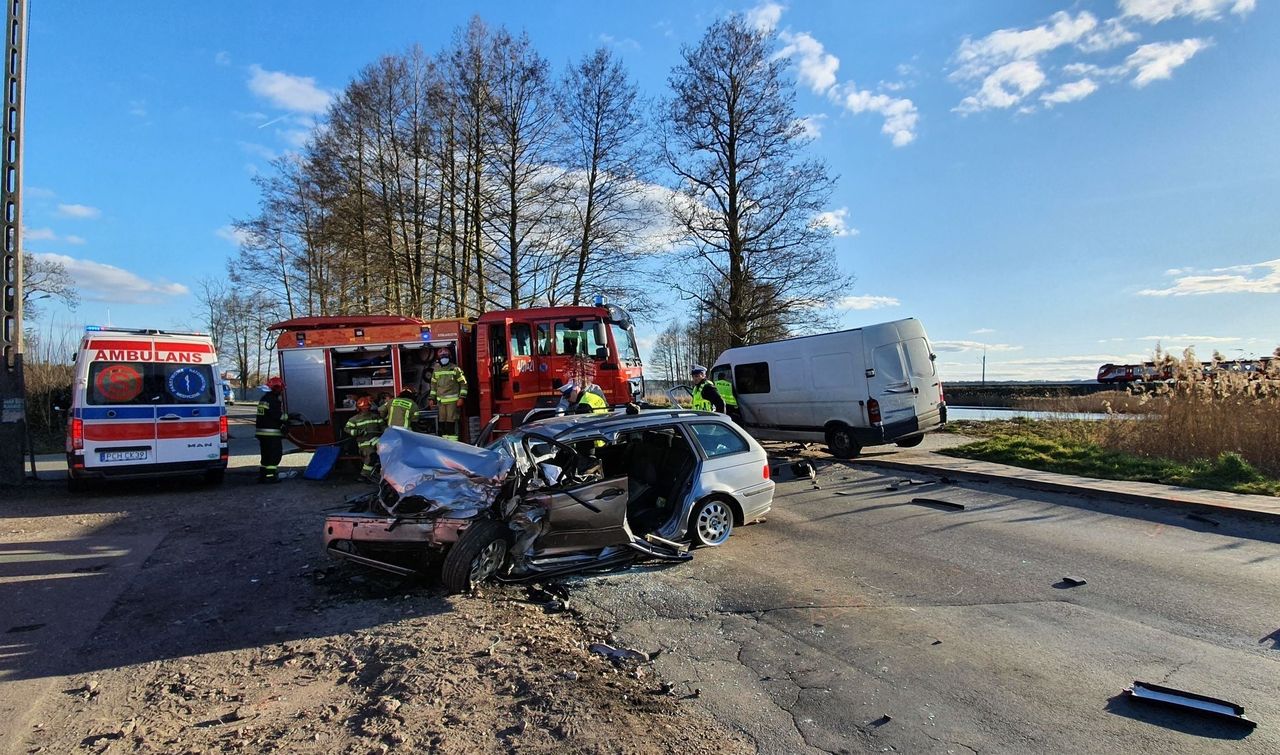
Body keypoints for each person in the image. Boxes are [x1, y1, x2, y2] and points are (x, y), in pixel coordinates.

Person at [429, 348, 468, 441]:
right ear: (438, 358)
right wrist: (431, 398)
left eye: (446, 356)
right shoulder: (436, 370)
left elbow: (463, 384)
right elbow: (433, 386)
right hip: (440, 402)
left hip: (453, 402)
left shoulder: (455, 369)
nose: (444, 358)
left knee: (451, 422)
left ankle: (453, 443)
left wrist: (461, 398)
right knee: (442, 422)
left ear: (450, 357)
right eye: (442, 356)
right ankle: (444, 442)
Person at [344, 396, 386, 482]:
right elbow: (347, 429)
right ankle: (364, 475)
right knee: (372, 455)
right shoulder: (354, 419)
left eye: (367, 408)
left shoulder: (376, 417)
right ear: (359, 409)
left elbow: (384, 428)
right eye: (363, 408)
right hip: (364, 443)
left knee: (388, 451)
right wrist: (357, 432)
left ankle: (387, 474)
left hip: (376, 440)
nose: (365, 410)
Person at [255, 376, 287, 483]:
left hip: (262, 433)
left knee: (266, 456)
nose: (281, 392)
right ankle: (271, 477)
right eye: (280, 389)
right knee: (274, 456)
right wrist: (289, 417)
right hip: (271, 433)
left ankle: (263, 476)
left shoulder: (264, 399)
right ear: (276, 388)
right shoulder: (273, 400)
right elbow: (277, 416)